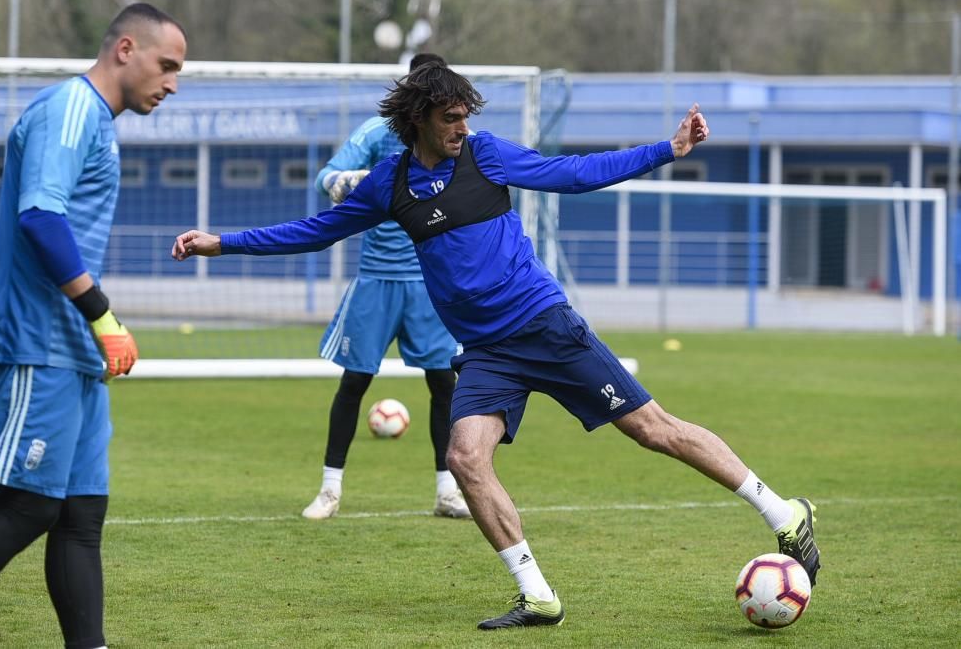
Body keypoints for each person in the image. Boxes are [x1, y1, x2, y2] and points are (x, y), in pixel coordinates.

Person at [171, 63, 820, 631]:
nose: (461, 127)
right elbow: (314, 231)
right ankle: (537, 596)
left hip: (545, 326)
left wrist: (667, 149)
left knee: (654, 431)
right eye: (451, 118)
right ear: (420, 119)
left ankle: (783, 512)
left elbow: (574, 174)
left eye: (465, 117)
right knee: (464, 457)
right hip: (485, 351)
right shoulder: (389, 185)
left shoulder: (487, 157)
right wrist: (223, 243)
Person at [0, 3, 186, 648]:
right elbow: (40, 218)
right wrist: (104, 317)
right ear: (126, 49)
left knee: (79, 514)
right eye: (167, 65)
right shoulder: (69, 108)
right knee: (31, 504)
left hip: (72, 351)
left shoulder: (98, 121)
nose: (173, 83)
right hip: (35, 342)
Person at [301, 53, 469, 521]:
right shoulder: (377, 134)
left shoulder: (457, 139)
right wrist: (361, 181)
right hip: (377, 278)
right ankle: (330, 490)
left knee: (444, 383)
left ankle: (448, 490)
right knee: (355, 380)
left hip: (431, 282)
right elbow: (325, 178)